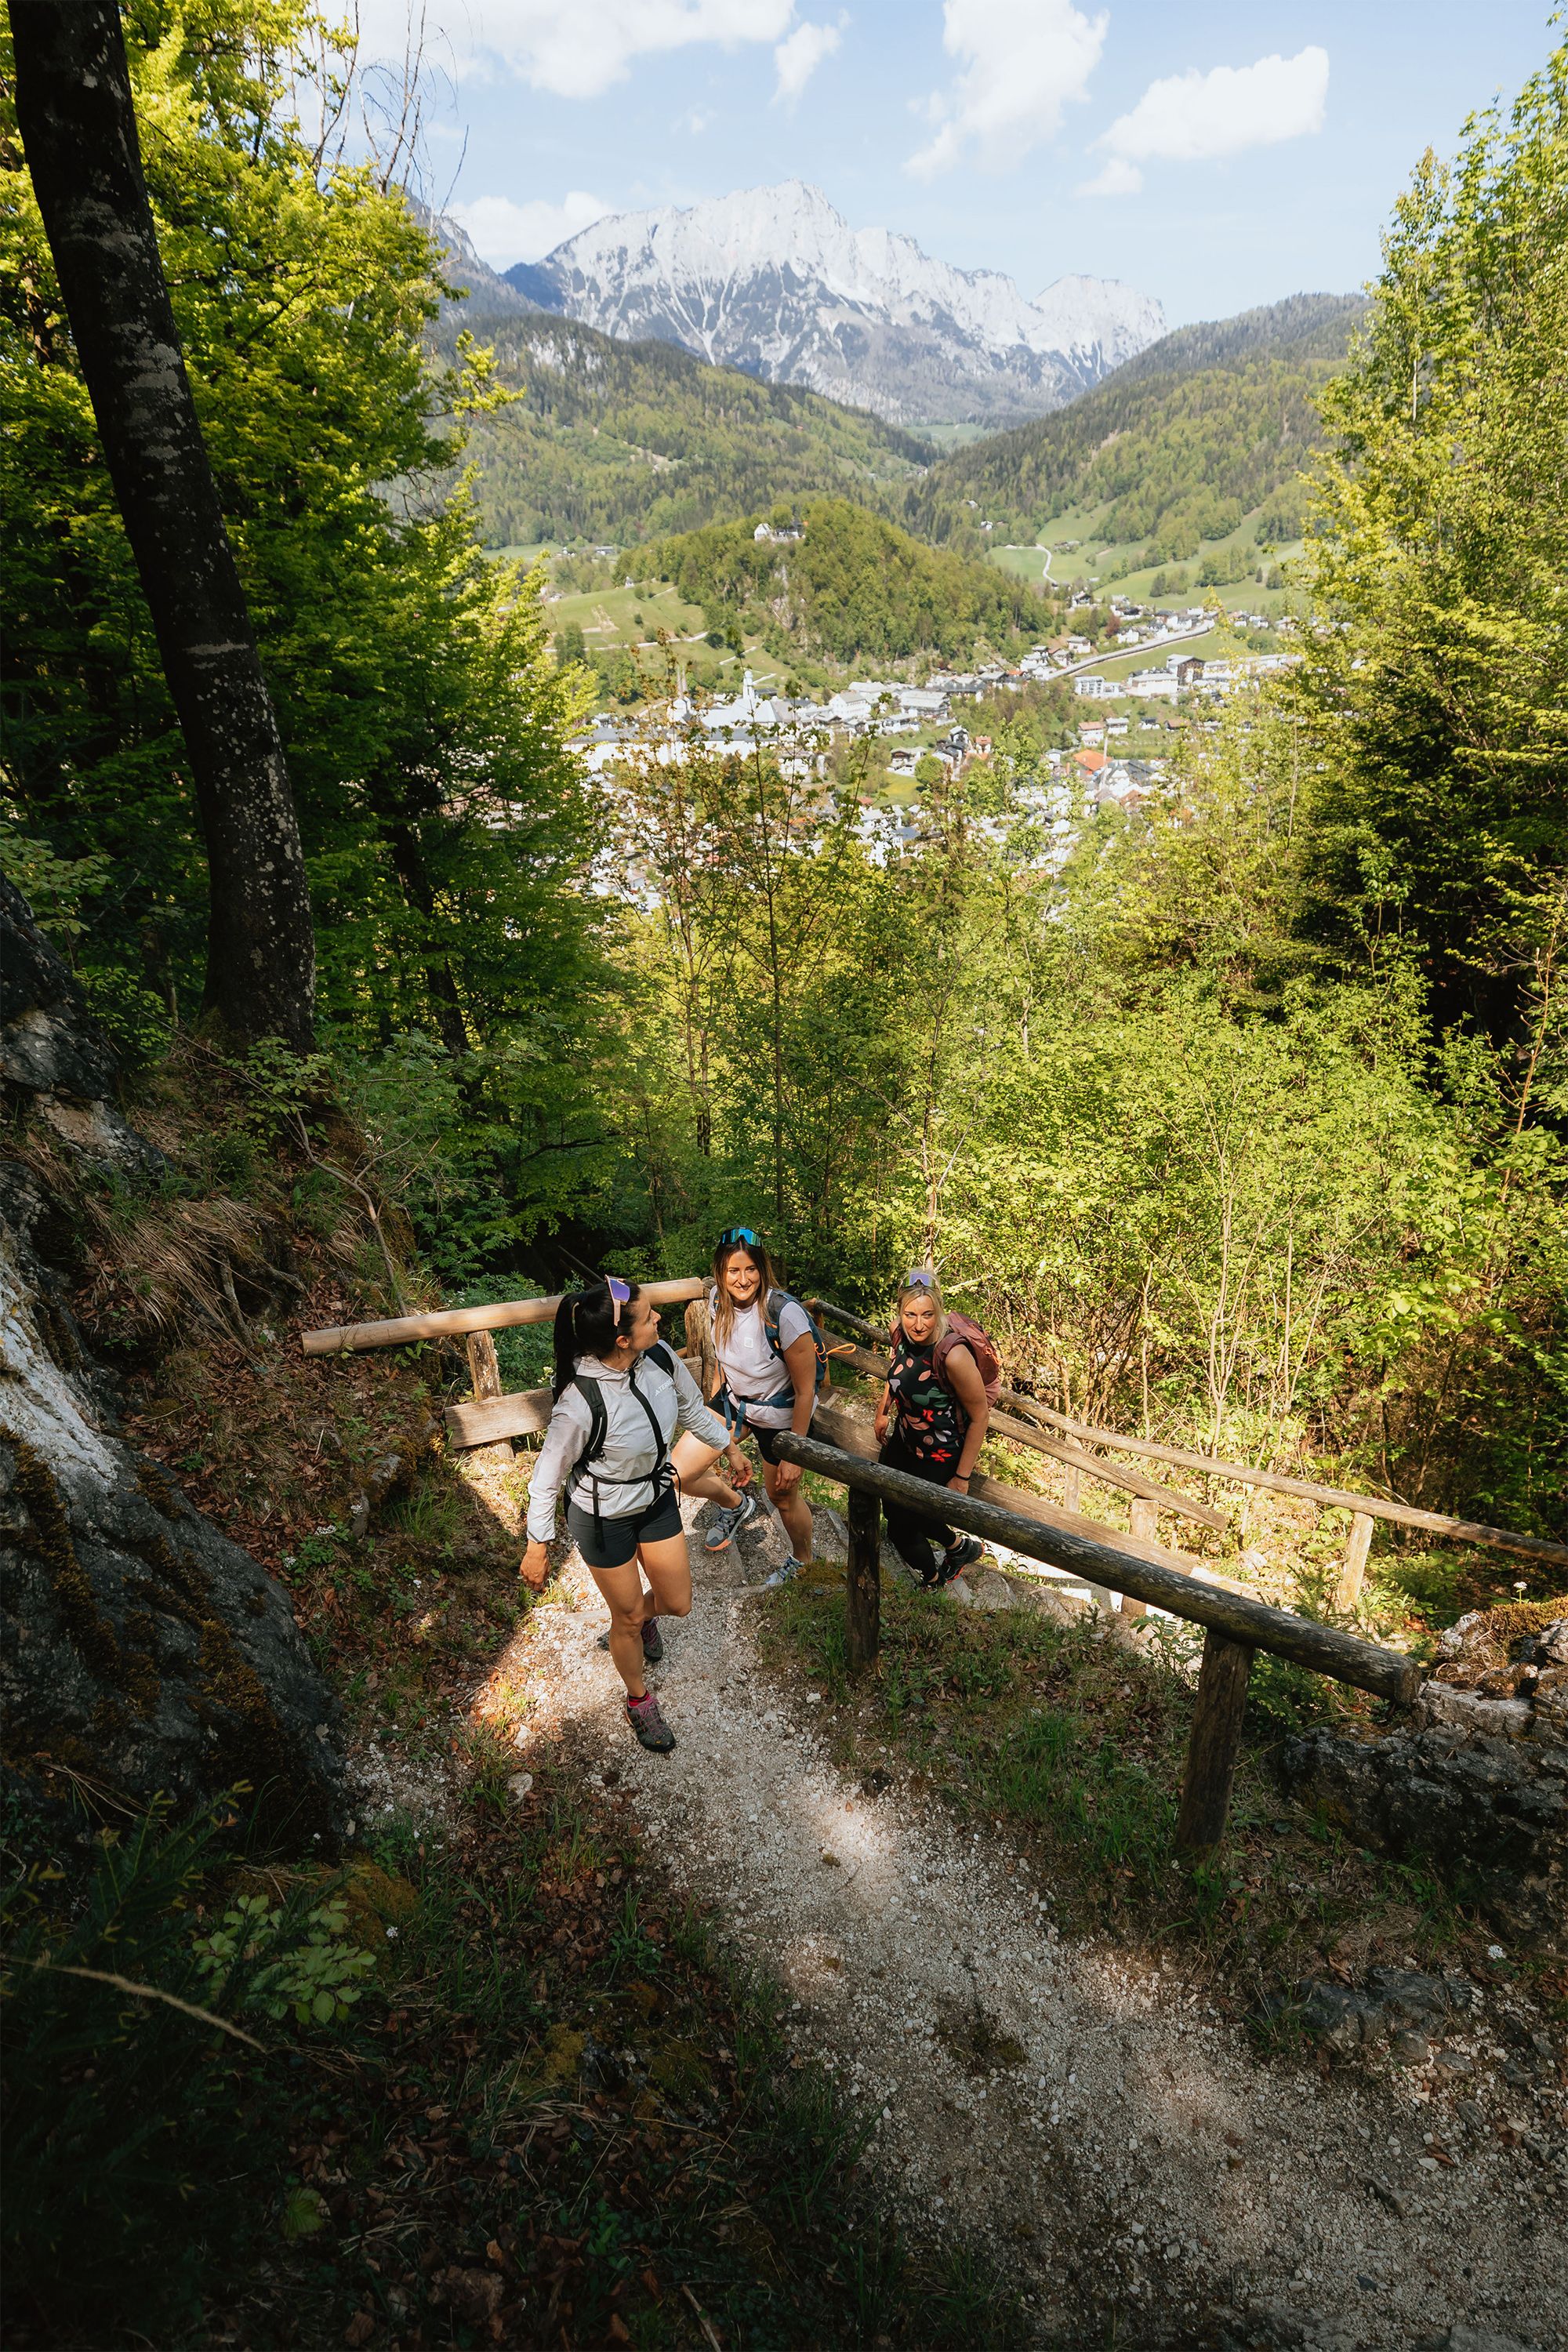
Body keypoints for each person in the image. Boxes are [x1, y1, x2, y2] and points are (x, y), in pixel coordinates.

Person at [518, 1276, 740, 1752]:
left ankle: (640, 1618)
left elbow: (694, 1410)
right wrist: (538, 1544)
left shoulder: (658, 1357)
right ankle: (639, 1700)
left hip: (653, 1497)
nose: (659, 1318)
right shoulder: (579, 1404)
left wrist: (730, 1449)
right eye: (649, 1315)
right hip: (602, 1519)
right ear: (622, 1339)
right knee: (626, 1616)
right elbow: (546, 1478)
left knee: (677, 1601)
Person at [699, 1229, 822, 1586]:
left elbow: (805, 1390)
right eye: (733, 1271)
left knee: (781, 1497)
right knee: (682, 1470)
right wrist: (719, 1423)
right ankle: (736, 1505)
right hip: (734, 1402)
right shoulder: (716, 1302)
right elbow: (722, 1360)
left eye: (750, 1269)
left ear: (762, 1268)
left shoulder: (784, 1313)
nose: (743, 1279)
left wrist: (794, 1453)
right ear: (720, 1272)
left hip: (779, 1418)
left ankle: (803, 1560)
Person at [873, 1269, 990, 1586]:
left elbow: (980, 1416)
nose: (919, 1324)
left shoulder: (952, 1354)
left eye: (927, 1314)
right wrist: (882, 1410)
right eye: (910, 1314)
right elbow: (897, 1369)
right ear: (900, 1312)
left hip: (940, 1453)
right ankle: (958, 1548)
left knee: (904, 1524)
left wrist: (962, 1477)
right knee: (894, 1506)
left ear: (938, 1309)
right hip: (904, 1439)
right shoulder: (899, 1331)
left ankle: (934, 1578)